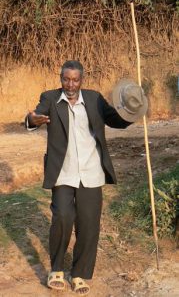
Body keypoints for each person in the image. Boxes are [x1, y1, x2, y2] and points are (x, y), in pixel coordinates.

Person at [26, 60, 147, 296]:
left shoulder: (94, 99)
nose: (70, 84)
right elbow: (34, 116)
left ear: (82, 79)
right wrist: (32, 120)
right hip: (63, 171)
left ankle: (80, 273)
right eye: (66, 79)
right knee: (62, 216)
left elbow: (117, 120)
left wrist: (133, 109)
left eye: (75, 79)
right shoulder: (50, 98)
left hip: (91, 172)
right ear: (60, 78)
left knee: (89, 224)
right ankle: (57, 269)